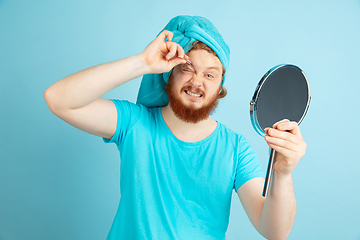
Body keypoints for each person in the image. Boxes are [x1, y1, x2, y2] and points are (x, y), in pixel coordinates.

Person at [44, 15, 307, 240]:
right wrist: (142, 63)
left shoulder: (235, 148)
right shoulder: (134, 123)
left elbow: (273, 230)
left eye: (209, 74)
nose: (197, 82)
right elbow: (58, 99)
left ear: (220, 88)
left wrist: (282, 174)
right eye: (187, 68)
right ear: (168, 73)